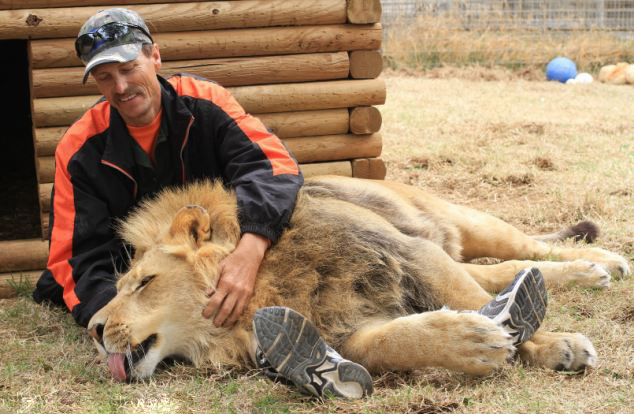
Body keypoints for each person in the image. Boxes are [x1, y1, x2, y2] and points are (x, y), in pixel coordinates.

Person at [32, 8, 373, 400]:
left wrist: (251, 248)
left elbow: (274, 167)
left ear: (154, 56)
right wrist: (113, 318)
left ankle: (291, 342)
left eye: (128, 68)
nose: (121, 86)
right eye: (105, 77)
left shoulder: (206, 100)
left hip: (223, 253)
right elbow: (73, 256)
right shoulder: (77, 147)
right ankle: (268, 352)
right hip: (142, 281)